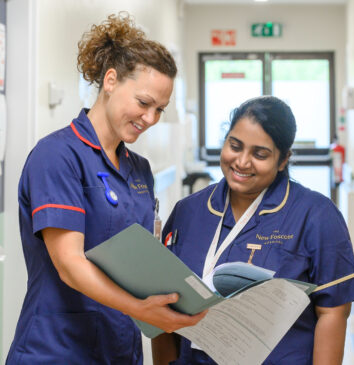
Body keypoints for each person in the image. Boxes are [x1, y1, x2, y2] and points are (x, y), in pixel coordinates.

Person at [6, 12, 205, 365]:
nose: (151, 119)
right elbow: (69, 264)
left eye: (160, 109)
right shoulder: (58, 155)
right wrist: (141, 309)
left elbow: (141, 261)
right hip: (56, 348)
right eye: (144, 103)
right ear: (110, 80)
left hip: (119, 347)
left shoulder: (139, 169)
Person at [153, 96, 354, 365]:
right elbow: (161, 303)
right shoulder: (188, 212)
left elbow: (332, 312)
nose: (242, 162)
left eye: (260, 154)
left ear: (283, 160)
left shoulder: (316, 216)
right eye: (235, 146)